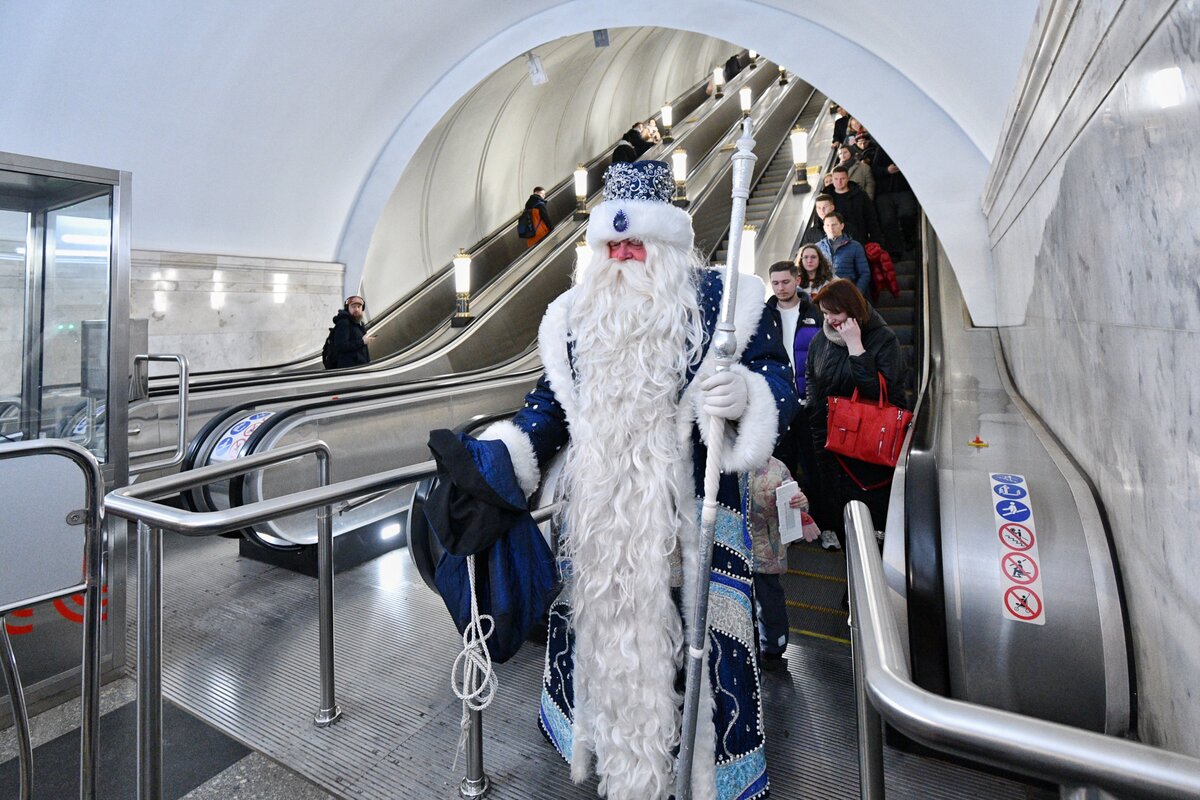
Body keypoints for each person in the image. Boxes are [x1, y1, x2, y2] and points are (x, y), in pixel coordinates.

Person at [471, 159, 798, 800]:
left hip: (689, 524)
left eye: (635, 244)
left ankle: (704, 775)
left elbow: (781, 387)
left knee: (697, 652)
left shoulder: (724, 302)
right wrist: (497, 459)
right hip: (598, 525)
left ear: (669, 244)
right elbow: (548, 410)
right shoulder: (570, 315)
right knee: (603, 640)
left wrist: (749, 396)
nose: (622, 256)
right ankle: (606, 750)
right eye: (610, 246)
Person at [805, 279, 906, 549]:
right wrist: (818, 434)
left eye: (834, 313)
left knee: (865, 513)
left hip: (865, 445)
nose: (829, 319)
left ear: (851, 309)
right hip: (831, 441)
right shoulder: (821, 339)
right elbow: (813, 385)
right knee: (836, 501)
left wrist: (855, 347)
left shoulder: (883, 339)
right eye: (825, 313)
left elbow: (885, 395)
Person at [747, 456, 817, 671]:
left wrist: (800, 503)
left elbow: (797, 504)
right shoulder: (778, 468)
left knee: (767, 600)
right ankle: (773, 647)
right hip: (767, 549)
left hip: (760, 550)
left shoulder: (775, 469)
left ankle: (771, 647)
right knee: (770, 599)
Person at [766, 261, 823, 519]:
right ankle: (788, 524)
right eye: (775, 282)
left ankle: (823, 523)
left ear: (797, 280)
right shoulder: (764, 315)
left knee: (814, 466)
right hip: (779, 403)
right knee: (782, 468)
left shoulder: (815, 312)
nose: (780, 287)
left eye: (785, 281)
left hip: (809, 401)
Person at [871, 144, 920, 258]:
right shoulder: (881, 150)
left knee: (907, 214)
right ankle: (895, 250)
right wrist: (887, 170)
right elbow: (874, 170)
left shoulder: (908, 150)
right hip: (884, 193)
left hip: (904, 190)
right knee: (888, 222)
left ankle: (909, 240)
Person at [826, 165, 881, 245]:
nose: (839, 182)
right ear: (832, 179)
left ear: (848, 178)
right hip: (835, 240)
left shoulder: (860, 195)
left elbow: (871, 217)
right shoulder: (827, 197)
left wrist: (875, 240)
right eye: (836, 179)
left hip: (859, 237)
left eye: (842, 178)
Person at [818, 212, 870, 295]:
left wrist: (857, 293)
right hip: (824, 294)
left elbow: (864, 273)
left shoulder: (855, 246)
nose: (831, 228)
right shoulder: (817, 248)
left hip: (848, 292)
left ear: (842, 226)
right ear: (824, 227)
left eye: (834, 224)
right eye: (827, 225)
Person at [328, 295, 372, 368]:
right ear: (347, 308)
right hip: (349, 370)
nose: (356, 309)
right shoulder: (344, 323)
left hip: (360, 367)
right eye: (353, 306)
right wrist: (362, 342)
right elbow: (340, 346)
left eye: (359, 307)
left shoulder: (359, 323)